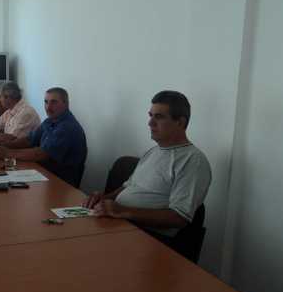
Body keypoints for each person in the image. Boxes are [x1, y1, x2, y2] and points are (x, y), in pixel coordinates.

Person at [84, 90, 212, 237]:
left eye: (159, 117)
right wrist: (105, 198)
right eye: (150, 115)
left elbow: (178, 217)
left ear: (180, 122)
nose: (150, 123)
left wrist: (122, 211)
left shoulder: (192, 161)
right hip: (121, 225)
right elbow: (128, 186)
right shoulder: (153, 151)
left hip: (149, 238)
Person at [0, 87, 87, 188]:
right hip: (42, 175)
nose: (48, 107)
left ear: (66, 104)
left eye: (54, 102)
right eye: (46, 102)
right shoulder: (50, 121)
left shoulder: (67, 127)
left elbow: (41, 154)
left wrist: (7, 153)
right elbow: (29, 140)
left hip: (61, 184)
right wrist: (2, 145)